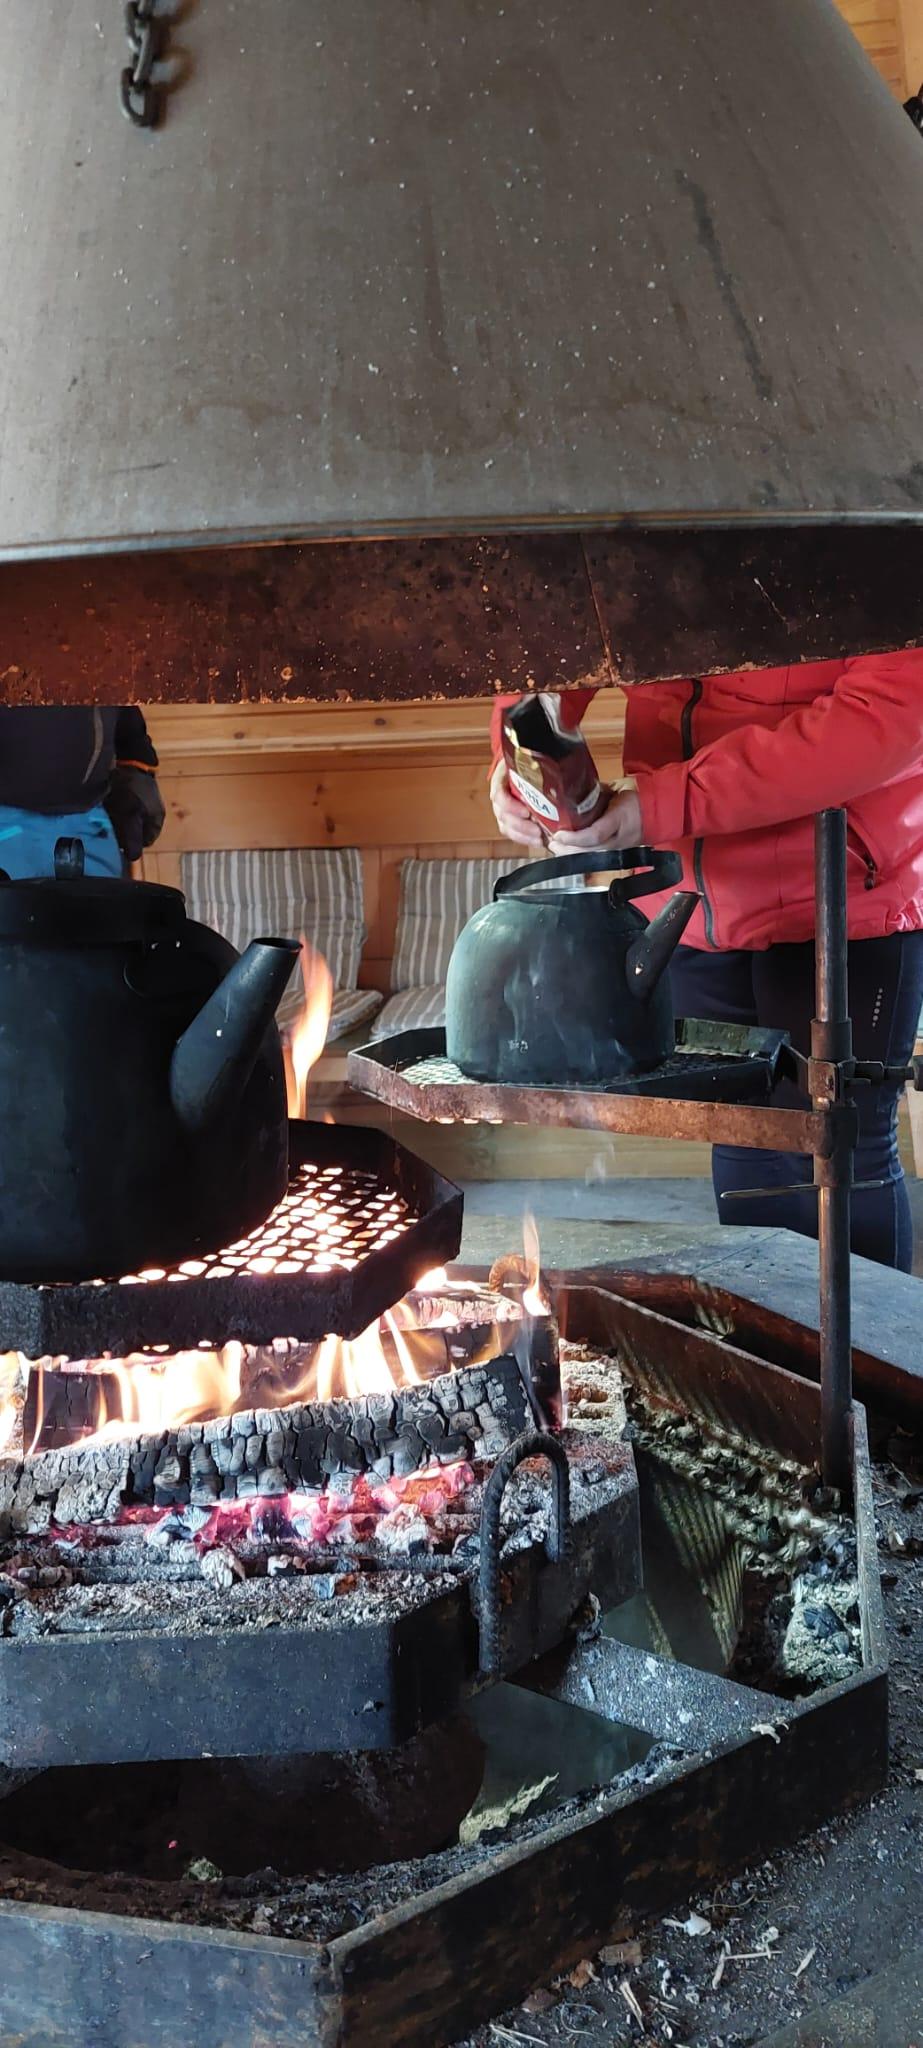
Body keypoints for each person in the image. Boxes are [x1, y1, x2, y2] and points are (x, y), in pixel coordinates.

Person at [489, 653, 923, 1271]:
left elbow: (890, 709)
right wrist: (515, 762)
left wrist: (664, 804)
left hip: (842, 894)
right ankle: (766, 1329)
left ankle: (866, 1339)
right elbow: (554, 645)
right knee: (741, 1136)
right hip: (692, 904)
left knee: (837, 1149)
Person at [0, 706, 165, 878]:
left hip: (89, 820)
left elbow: (119, 706)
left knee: (100, 895)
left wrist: (136, 771)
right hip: (7, 818)